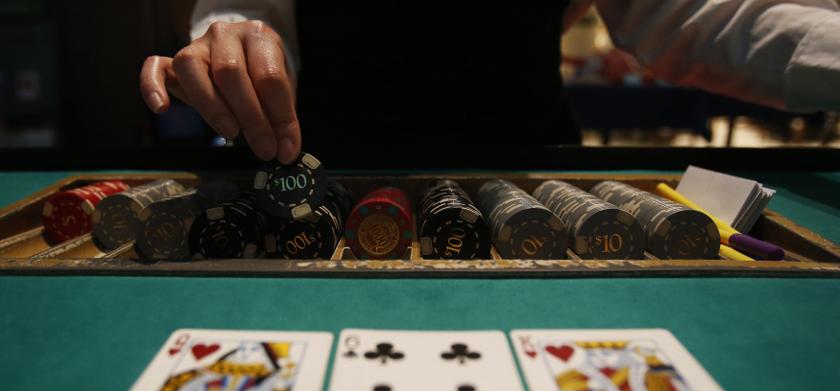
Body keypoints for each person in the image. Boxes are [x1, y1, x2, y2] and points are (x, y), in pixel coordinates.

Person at [140, 0, 840, 162]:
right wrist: (229, 34)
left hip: (532, 174)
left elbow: (701, 19)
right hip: (330, 177)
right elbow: (249, 14)